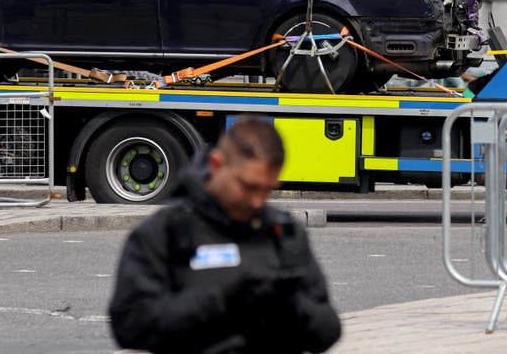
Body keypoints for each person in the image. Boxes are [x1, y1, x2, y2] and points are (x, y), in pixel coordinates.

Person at [108, 117, 341, 354]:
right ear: (217, 164)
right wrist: (221, 297)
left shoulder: (283, 233)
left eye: (267, 189)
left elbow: (329, 329)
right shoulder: (164, 232)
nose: (258, 201)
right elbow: (130, 327)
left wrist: (290, 304)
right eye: (249, 186)